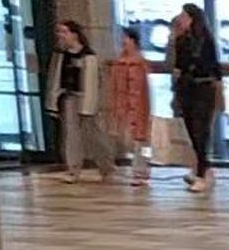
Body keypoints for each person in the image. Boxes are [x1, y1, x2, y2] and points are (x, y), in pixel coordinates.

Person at [45, 22, 114, 183]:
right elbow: (55, 79)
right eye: (59, 32)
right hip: (69, 98)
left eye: (64, 32)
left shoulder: (88, 56)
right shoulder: (61, 56)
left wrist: (89, 105)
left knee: (94, 134)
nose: (60, 35)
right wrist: (54, 100)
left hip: (85, 98)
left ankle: (106, 164)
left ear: (74, 34)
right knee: (71, 135)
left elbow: (92, 82)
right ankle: (73, 169)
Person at [171, 2, 222, 193]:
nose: (181, 19)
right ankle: (204, 168)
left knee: (202, 132)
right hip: (186, 89)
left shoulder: (206, 40)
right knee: (192, 131)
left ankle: (201, 174)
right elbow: (178, 65)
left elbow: (212, 65)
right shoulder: (180, 40)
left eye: (184, 16)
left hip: (203, 88)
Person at [106, 25, 153, 181]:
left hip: (140, 108)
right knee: (130, 140)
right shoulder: (119, 64)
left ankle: (141, 168)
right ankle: (138, 168)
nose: (123, 41)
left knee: (141, 140)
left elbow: (146, 89)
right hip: (124, 107)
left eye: (126, 38)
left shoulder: (141, 64)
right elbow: (114, 88)